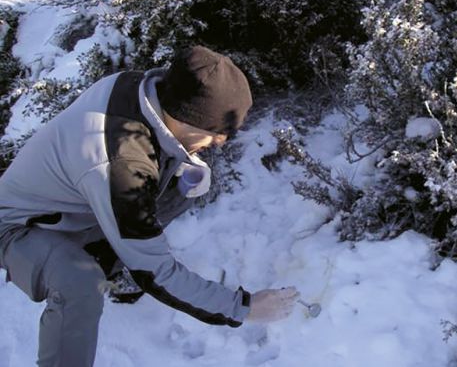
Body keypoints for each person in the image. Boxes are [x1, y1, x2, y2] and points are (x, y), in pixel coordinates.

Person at [0, 45, 300, 367]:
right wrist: (244, 306)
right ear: (188, 117)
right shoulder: (121, 164)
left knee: (181, 188)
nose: (221, 141)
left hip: (78, 209)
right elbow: (156, 272)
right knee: (81, 282)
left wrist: (181, 167)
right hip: (19, 225)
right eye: (216, 133)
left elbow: (150, 152)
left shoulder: (143, 89)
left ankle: (114, 262)